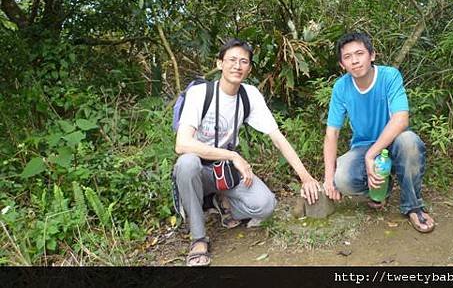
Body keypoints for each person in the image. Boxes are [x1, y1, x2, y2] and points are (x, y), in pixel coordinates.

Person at [174, 38, 321, 266]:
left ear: (249, 68)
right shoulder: (201, 94)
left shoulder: (248, 95)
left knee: (265, 205)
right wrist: (233, 155)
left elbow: (277, 137)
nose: (237, 66)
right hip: (198, 171)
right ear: (220, 63)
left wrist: (306, 177)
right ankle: (198, 239)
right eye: (232, 60)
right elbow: (182, 144)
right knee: (187, 163)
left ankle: (218, 202)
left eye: (244, 61)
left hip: (224, 173)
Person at [322, 31, 435, 233]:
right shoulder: (341, 88)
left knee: (409, 141)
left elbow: (401, 119)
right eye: (347, 57)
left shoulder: (389, 76)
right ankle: (381, 189)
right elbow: (332, 134)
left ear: (372, 55)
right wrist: (328, 179)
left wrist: (371, 154)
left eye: (360, 53)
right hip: (363, 146)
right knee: (342, 178)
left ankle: (413, 206)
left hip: (394, 141)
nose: (355, 61)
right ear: (342, 65)